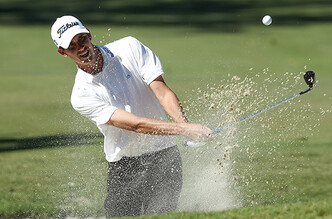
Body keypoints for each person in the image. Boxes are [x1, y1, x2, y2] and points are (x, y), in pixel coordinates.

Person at [51, 15, 212, 217]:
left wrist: (184, 123)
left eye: (82, 39)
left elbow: (161, 91)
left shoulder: (130, 47)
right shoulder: (81, 95)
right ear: (62, 52)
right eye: (72, 46)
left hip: (165, 156)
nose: (81, 47)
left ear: (89, 35)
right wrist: (184, 130)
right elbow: (136, 125)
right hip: (124, 167)